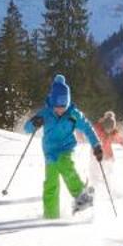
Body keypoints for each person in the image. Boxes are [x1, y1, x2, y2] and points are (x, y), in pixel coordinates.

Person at [23, 74, 104, 219]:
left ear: (68, 102)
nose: (60, 110)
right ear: (52, 102)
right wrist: (35, 122)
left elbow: (87, 128)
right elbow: (27, 128)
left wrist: (96, 145)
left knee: (65, 164)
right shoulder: (45, 113)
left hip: (66, 148)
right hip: (49, 152)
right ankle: (51, 216)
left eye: (63, 106)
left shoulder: (73, 114)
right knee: (50, 184)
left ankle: (81, 196)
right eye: (57, 107)